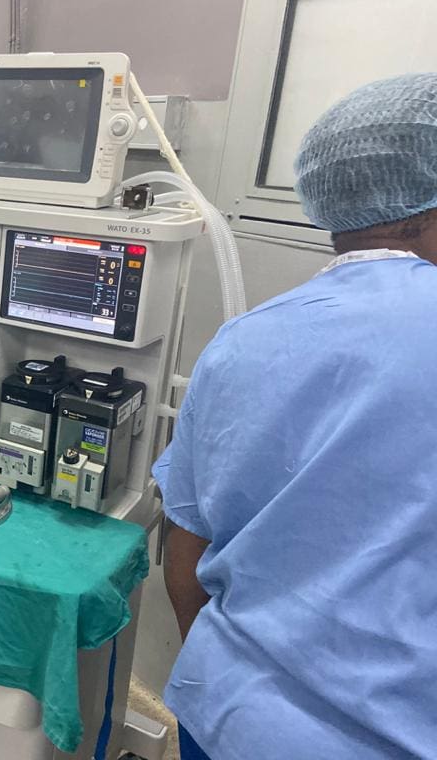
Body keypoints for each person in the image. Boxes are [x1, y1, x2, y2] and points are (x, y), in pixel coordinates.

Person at [156, 72, 437, 759]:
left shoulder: (241, 343)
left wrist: (241, 686)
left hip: (226, 714)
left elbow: (183, 554)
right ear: (423, 209)